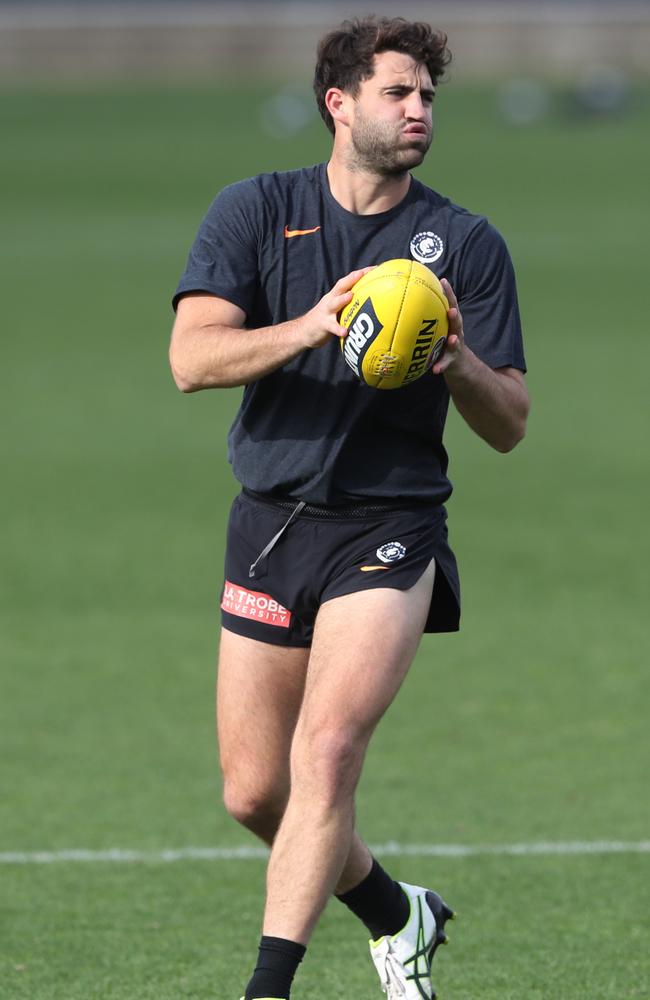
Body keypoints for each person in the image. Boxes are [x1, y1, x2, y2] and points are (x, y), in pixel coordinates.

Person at [169, 14, 529, 1000]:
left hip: (389, 526)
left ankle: (265, 990)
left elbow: (509, 424)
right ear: (338, 103)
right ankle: (394, 909)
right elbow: (190, 360)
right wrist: (310, 327)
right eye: (397, 94)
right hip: (272, 521)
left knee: (324, 751)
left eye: (426, 98)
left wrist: (452, 357)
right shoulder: (255, 209)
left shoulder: (463, 243)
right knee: (255, 792)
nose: (418, 112)